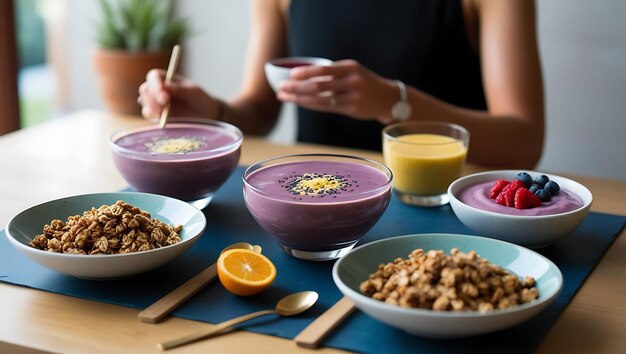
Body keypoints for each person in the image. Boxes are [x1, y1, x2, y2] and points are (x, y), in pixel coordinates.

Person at [138, 0, 544, 169]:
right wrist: (213, 114)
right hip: (313, 204)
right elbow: (259, 111)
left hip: (440, 213)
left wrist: (392, 102)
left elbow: (523, 140)